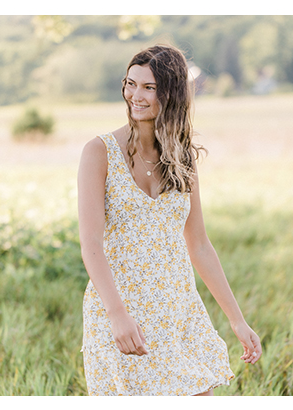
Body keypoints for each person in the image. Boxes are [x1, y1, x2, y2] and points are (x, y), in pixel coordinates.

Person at [76, 44, 262, 396]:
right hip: (120, 311)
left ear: (172, 93)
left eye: (149, 87)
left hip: (178, 310)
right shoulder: (98, 152)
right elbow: (91, 243)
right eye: (131, 84)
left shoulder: (182, 158)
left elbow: (201, 245)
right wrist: (117, 314)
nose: (136, 95)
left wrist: (237, 320)